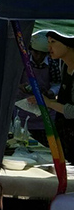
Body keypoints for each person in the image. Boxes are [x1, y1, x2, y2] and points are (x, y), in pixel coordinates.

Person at [29, 31, 74, 162]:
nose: (49, 48)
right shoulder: (65, 66)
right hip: (64, 134)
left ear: (69, 44)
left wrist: (49, 103)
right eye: (48, 42)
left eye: (53, 42)